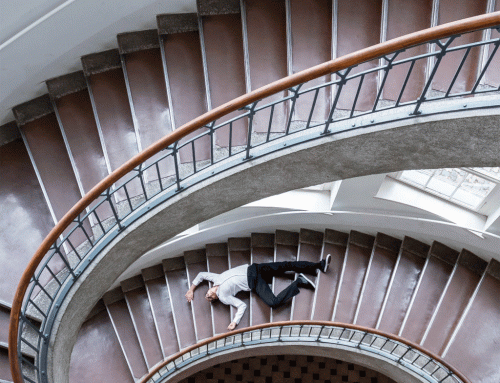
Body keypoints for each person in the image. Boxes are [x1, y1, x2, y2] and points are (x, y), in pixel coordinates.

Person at [185, 254, 331, 331]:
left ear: (209, 288)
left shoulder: (215, 278)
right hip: (254, 282)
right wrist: (235, 322)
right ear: (216, 298)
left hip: (255, 269)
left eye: (207, 294)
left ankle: (319, 265)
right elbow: (241, 305)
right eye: (210, 298)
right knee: (273, 303)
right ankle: (299, 282)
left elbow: (201, 275)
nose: (208, 296)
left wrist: (191, 290)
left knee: (286, 265)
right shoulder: (223, 297)